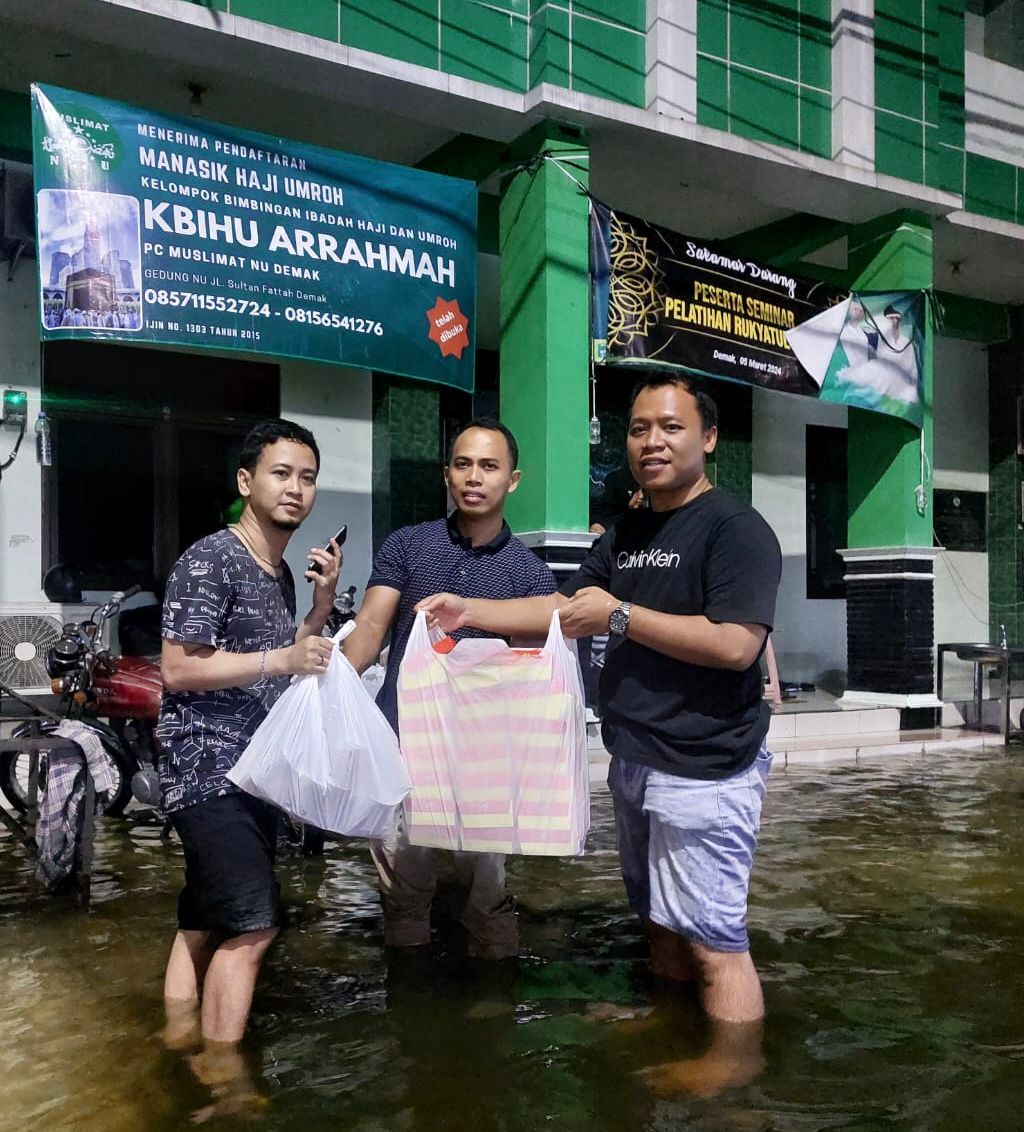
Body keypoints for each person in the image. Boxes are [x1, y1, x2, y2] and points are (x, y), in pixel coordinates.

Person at [418, 375, 781, 1092]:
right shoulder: (631, 530)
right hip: (637, 757)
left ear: (708, 438)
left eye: (671, 427)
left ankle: (736, 1072)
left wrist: (619, 616)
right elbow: (563, 605)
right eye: (640, 427)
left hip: (705, 764)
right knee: (660, 921)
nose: (652, 441)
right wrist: (475, 612)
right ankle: (670, 1017)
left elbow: (738, 645)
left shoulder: (736, 529)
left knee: (715, 940)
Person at [157, 418, 344, 1051]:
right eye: (281, 473)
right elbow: (179, 668)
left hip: (253, 769)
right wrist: (282, 662)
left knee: (206, 916)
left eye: (308, 477)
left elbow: (277, 653)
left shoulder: (278, 572)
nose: (295, 488)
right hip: (207, 768)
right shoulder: (212, 559)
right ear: (247, 480)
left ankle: (177, 1035)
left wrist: (320, 608)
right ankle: (222, 1078)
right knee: (254, 925)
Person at [342, 417, 557, 960]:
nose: (474, 477)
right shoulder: (408, 546)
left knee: (486, 893)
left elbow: (545, 661)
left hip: (486, 754)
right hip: (404, 743)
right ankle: (410, 1014)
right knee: (404, 894)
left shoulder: (529, 574)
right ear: (446, 474)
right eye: (463, 464)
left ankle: (490, 1017)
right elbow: (370, 627)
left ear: (513, 480)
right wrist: (335, 682)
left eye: (489, 466)